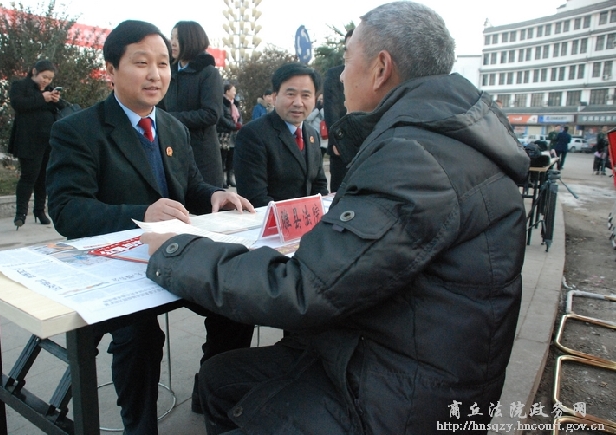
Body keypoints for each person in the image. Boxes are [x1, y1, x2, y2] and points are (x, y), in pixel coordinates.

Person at [141, 2, 530, 433]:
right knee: (220, 377)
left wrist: (176, 251)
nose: (340, 78)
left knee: (234, 388)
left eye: (346, 60)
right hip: (401, 350)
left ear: (380, 68)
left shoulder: (414, 157)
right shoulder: (440, 138)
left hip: (399, 392)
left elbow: (304, 290)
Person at [46, 20, 255, 434]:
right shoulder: (78, 130)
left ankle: (209, 391)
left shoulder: (172, 126)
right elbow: (67, 210)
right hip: (117, 267)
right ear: (111, 69)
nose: (156, 74)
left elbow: (189, 187)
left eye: (163, 63)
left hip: (174, 256)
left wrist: (216, 194)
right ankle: (139, 426)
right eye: (141, 63)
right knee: (139, 336)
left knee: (239, 299)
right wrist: (143, 213)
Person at [233, 62, 328, 208]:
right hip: (268, 219)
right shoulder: (253, 135)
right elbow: (255, 197)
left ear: (314, 99)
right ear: (275, 97)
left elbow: (319, 184)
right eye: (291, 94)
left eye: (305, 95)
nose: (298, 103)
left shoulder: (312, 135)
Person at [158, 21, 224, 188]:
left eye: (177, 38)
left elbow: (211, 114)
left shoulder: (208, 73)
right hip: (171, 148)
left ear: (191, 40)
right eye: (171, 37)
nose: (172, 43)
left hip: (201, 153)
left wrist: (170, 119)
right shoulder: (168, 72)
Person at [8, 60, 66, 229]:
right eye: (44, 76)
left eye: (49, 78)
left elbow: (61, 108)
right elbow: (19, 104)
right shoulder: (20, 87)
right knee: (29, 176)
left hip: (47, 141)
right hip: (28, 141)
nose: (46, 81)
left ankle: (40, 211)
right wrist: (42, 98)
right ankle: (20, 213)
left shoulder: (49, 90)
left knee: (44, 178)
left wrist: (56, 100)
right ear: (34, 72)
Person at [323, 28, 353, 192]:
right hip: (341, 146)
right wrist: (339, 141)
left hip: (369, 146)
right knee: (340, 192)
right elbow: (331, 112)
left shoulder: (374, 74)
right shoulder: (335, 75)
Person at [216, 83, 241, 188]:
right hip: (224, 133)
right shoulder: (221, 103)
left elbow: (239, 117)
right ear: (227, 91)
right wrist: (233, 126)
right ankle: (222, 179)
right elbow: (221, 118)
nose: (235, 93)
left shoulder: (235, 104)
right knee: (223, 157)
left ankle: (230, 178)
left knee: (231, 157)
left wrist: (239, 125)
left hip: (233, 135)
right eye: (233, 90)